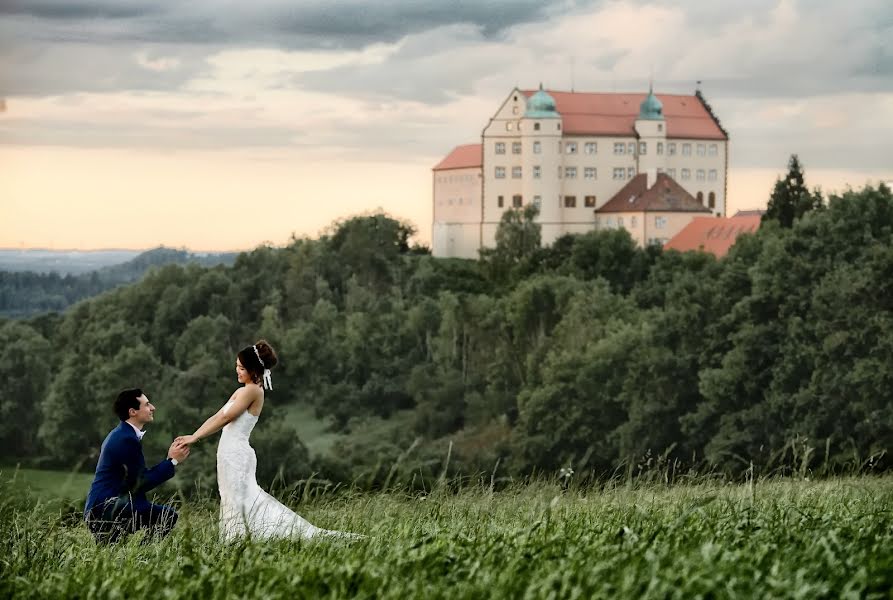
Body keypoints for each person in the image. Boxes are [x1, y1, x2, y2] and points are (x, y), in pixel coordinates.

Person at [176, 340, 360, 541]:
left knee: (242, 499)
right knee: (232, 498)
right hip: (228, 453)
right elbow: (217, 416)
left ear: (253, 369)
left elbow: (225, 418)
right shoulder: (241, 390)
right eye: (237, 366)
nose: (236, 370)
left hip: (237, 453)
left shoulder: (253, 391)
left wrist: (196, 437)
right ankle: (235, 537)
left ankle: (242, 537)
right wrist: (193, 435)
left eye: (241, 367)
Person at [84, 388, 189, 543]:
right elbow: (139, 483)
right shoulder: (126, 438)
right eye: (147, 405)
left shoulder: (122, 434)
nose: (152, 408)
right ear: (133, 411)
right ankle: (145, 557)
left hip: (102, 507)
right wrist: (172, 461)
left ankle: (140, 558)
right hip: (107, 509)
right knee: (167, 516)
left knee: (111, 554)